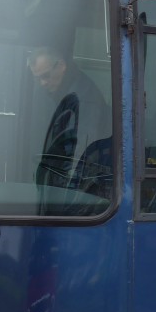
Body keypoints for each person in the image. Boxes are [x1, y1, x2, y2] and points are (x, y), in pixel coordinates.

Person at [28, 46, 110, 206]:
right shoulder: (55, 92)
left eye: (46, 76)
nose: (43, 83)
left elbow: (82, 153)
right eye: (37, 78)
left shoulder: (85, 99)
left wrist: (66, 193)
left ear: (61, 66)